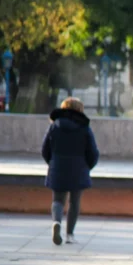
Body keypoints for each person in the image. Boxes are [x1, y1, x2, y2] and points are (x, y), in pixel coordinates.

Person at [41, 97, 99, 246]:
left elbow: (45, 149)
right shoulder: (84, 128)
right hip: (78, 168)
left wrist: (52, 163)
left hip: (58, 166)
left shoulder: (54, 126)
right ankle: (69, 235)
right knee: (75, 202)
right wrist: (87, 167)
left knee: (58, 200)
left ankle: (56, 222)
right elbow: (93, 152)